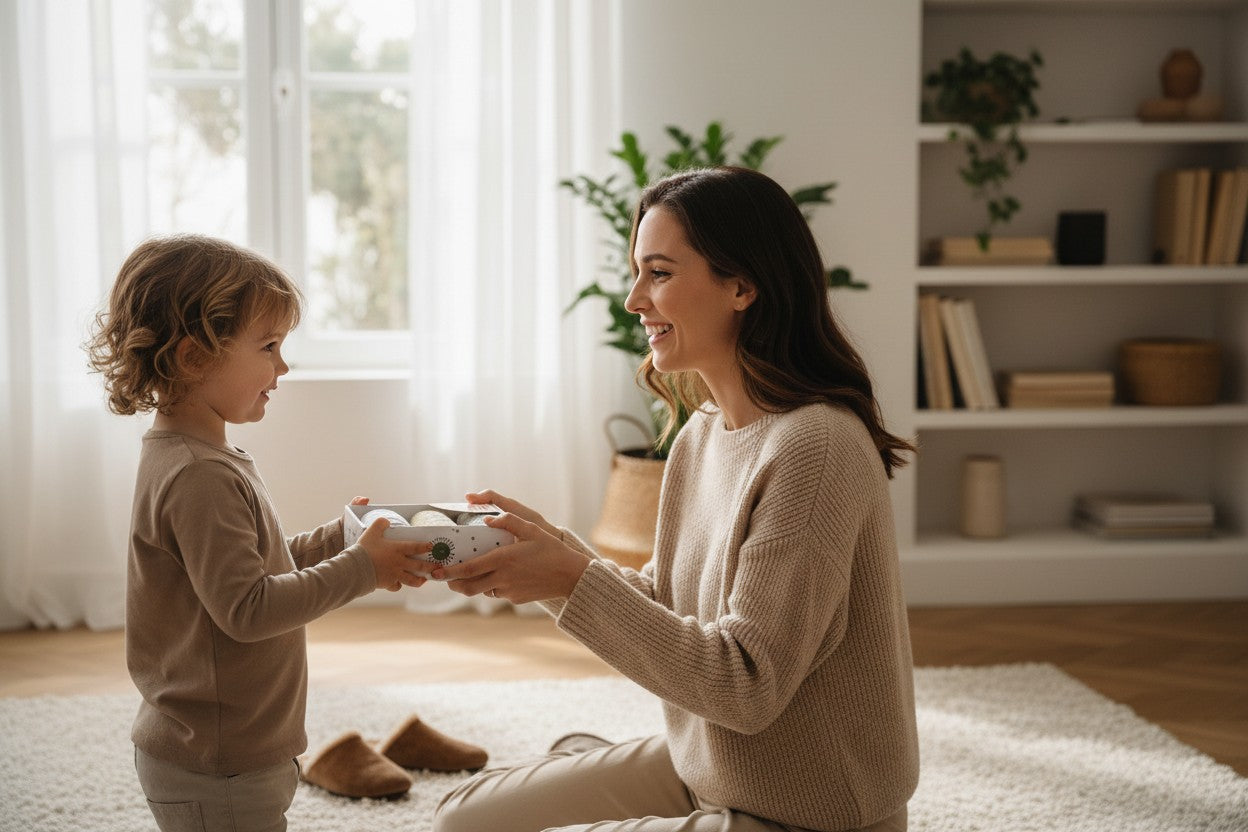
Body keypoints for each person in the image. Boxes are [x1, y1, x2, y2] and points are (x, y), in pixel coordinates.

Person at [429, 166, 919, 832]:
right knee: (460, 822)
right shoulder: (702, 436)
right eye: (638, 272)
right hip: (711, 772)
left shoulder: (816, 447)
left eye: (658, 274)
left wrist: (572, 579)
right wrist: (551, 558)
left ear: (742, 286)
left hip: (809, 813)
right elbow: (672, 605)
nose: (634, 300)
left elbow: (745, 686)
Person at [85, 234, 441, 832]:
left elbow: (257, 568)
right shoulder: (199, 476)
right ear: (195, 357)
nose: (282, 366)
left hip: (226, 751)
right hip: (216, 765)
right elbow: (247, 608)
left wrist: (342, 538)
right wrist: (364, 569)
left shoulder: (196, 458)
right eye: (269, 346)